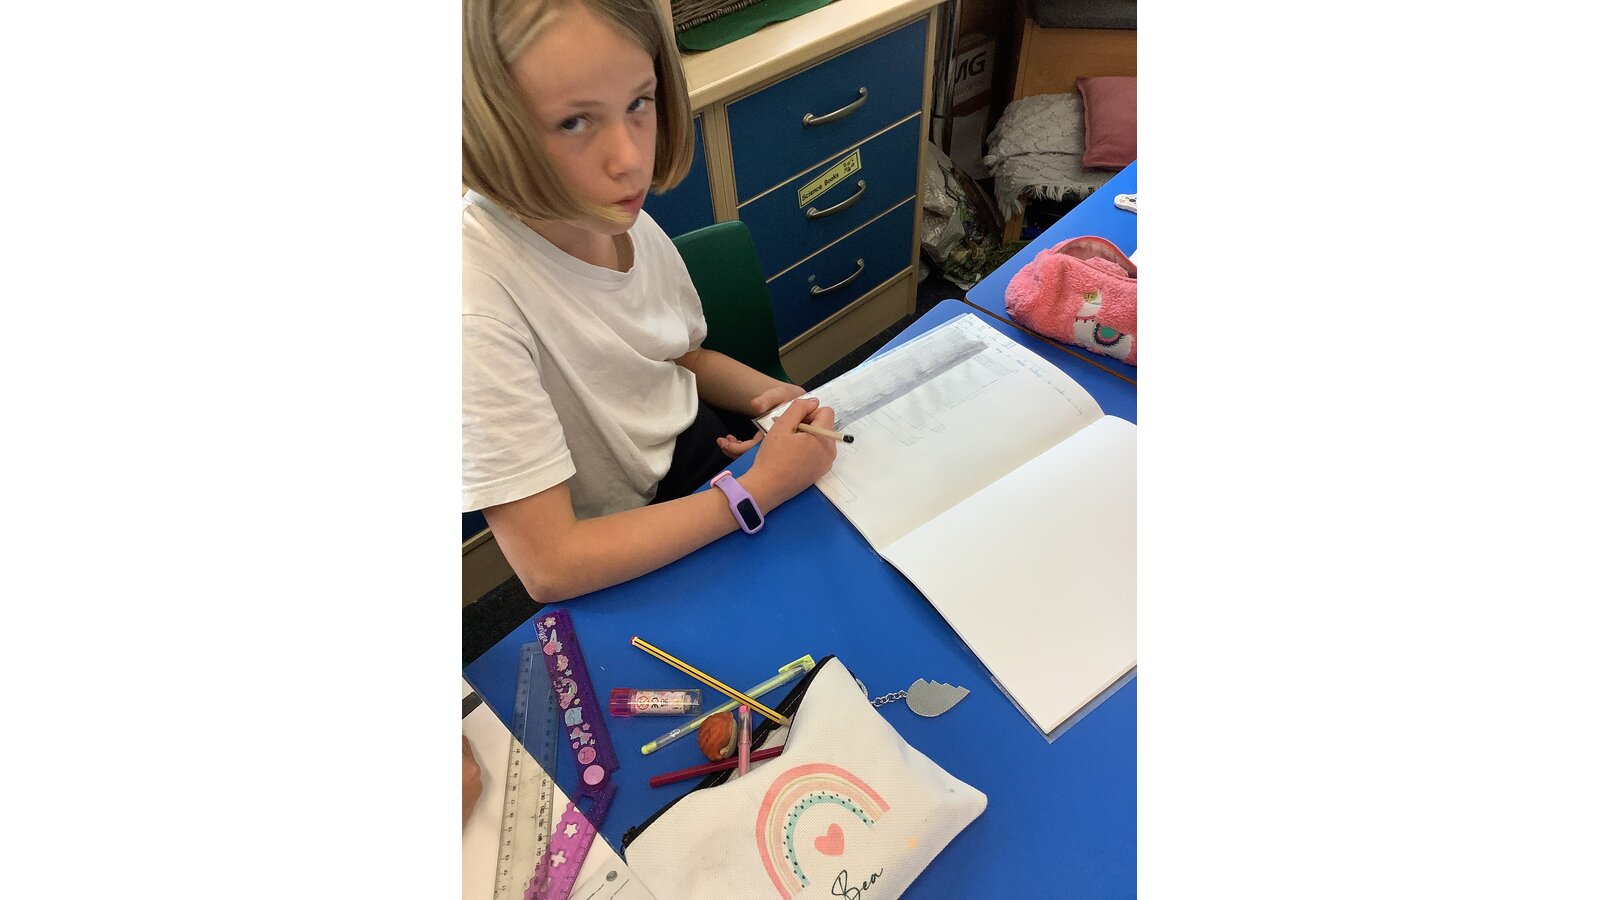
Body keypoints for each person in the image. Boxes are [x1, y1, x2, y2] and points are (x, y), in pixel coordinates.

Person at [462, 0, 838, 603]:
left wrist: (780, 404)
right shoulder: (473, 307)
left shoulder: (609, 211)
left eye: (639, 103)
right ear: (490, 130)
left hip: (702, 448)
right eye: (573, 122)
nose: (631, 160)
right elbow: (550, 565)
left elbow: (679, 358)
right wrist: (756, 489)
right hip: (623, 534)